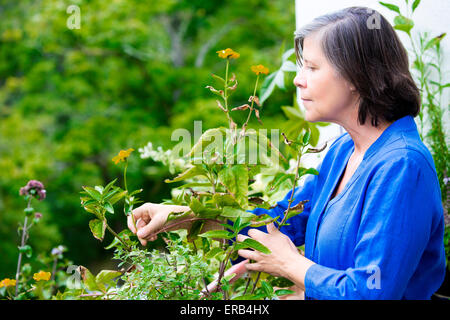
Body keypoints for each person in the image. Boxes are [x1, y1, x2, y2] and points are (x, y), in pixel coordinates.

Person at [128, 7, 446, 299]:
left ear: (355, 76)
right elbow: (279, 223)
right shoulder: (343, 151)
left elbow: (372, 292)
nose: (298, 80)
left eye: (311, 67)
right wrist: (185, 216)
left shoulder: (403, 165)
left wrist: (289, 265)